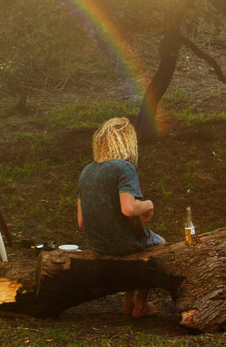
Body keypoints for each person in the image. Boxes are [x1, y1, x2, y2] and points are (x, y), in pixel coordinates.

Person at [76, 117, 165, 318]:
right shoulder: (124, 169)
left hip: (97, 244)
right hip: (122, 244)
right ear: (127, 142)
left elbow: (81, 221)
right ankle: (140, 305)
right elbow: (128, 209)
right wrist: (149, 205)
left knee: (133, 238)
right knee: (159, 245)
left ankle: (127, 302)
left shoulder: (86, 172)